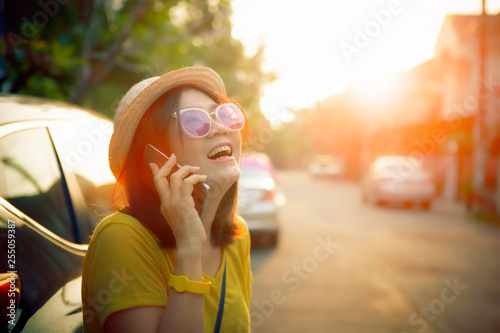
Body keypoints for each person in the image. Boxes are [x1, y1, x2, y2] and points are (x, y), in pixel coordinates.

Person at [81, 66, 252, 332]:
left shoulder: (237, 234)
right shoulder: (122, 238)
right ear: (154, 156)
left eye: (224, 114)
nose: (220, 128)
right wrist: (189, 247)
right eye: (194, 121)